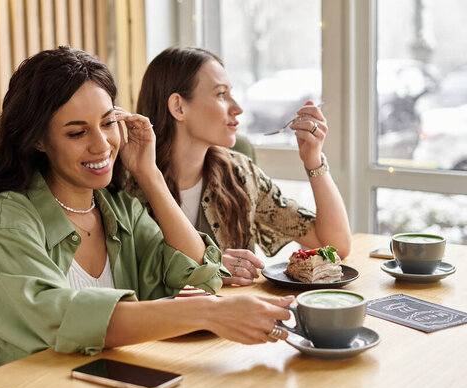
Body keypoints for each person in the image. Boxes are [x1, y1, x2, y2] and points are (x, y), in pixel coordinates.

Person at [0, 46, 294, 374]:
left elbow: (199, 276)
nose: (101, 144)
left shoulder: (119, 210)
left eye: (107, 122)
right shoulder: (8, 218)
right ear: (39, 140)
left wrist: (149, 174)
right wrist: (208, 312)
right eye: (76, 132)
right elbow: (61, 317)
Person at [127, 46, 352, 286]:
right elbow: (132, 278)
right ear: (179, 107)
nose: (238, 108)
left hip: (239, 317)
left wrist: (314, 160)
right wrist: (212, 266)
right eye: (221, 94)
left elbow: (334, 246)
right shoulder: (127, 186)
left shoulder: (240, 174)